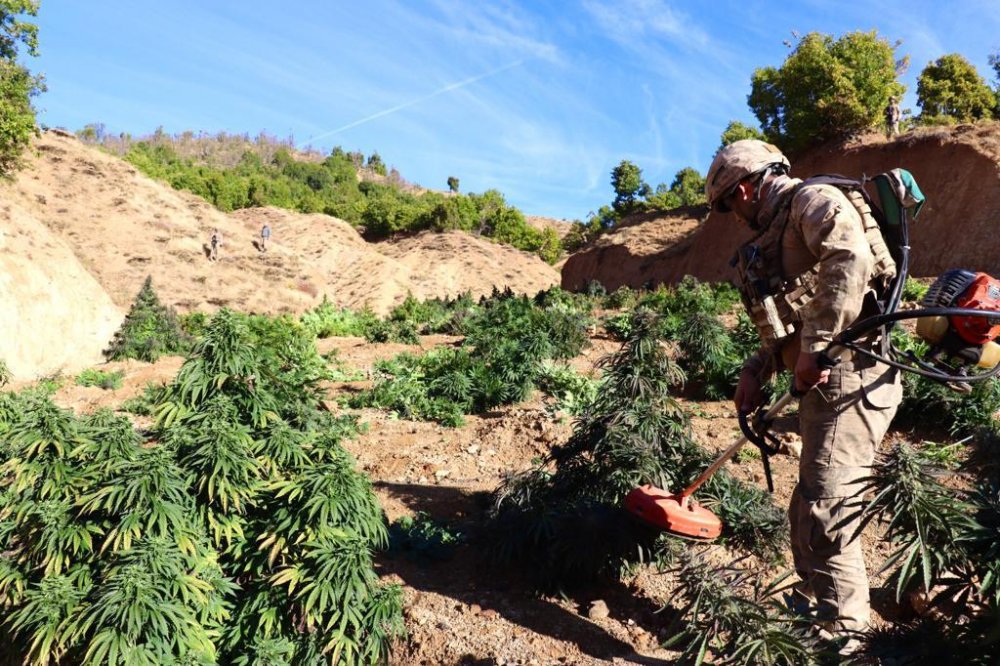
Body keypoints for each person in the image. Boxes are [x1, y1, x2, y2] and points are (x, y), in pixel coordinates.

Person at [704, 140, 902, 646]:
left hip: (852, 379)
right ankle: (819, 615)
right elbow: (794, 315)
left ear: (744, 189)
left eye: (729, 204)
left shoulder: (812, 201)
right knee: (809, 503)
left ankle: (844, 639)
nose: (734, 215)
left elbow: (849, 257)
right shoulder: (782, 224)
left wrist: (814, 349)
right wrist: (760, 365)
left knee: (827, 507)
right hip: (826, 382)